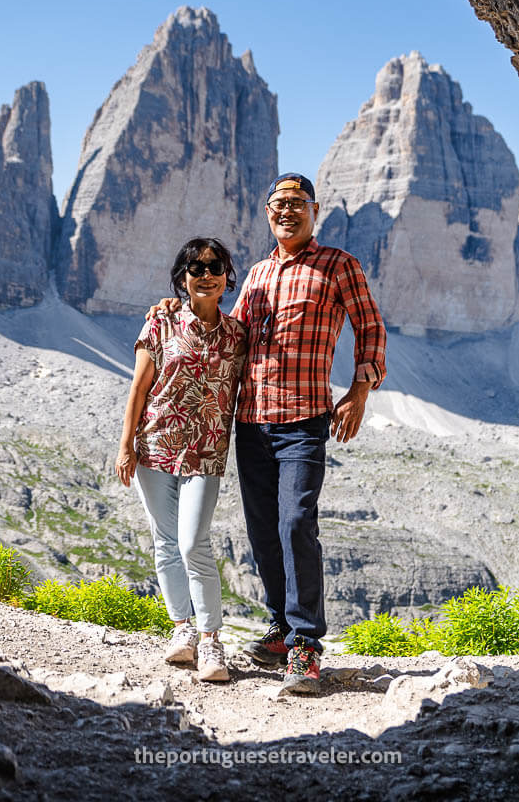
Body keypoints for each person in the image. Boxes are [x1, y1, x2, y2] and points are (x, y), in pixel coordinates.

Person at [152, 173, 386, 694]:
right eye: (278, 203)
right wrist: (174, 307)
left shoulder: (338, 265)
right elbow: (225, 331)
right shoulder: (255, 275)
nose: (287, 211)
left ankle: (305, 643)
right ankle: (280, 626)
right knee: (262, 531)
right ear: (266, 212)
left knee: (296, 522)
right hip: (251, 421)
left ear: (314, 209)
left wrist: (359, 391)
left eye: (297, 203)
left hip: (305, 421)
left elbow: (370, 326)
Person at [116, 238, 247, 683]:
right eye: (196, 268)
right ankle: (182, 632)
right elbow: (138, 387)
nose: (205, 274)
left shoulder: (238, 335)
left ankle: (211, 640)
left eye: (215, 267)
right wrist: (125, 445)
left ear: (228, 277)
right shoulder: (160, 323)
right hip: (154, 447)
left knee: (193, 543)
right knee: (166, 544)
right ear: (183, 277)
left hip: (206, 454)